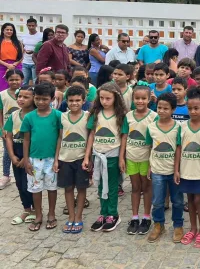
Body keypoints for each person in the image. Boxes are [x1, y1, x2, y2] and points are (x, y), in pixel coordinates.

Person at [86, 82, 129, 233]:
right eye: (102, 98)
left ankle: (113, 214)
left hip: (113, 155)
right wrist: (87, 156)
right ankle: (103, 213)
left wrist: (121, 158)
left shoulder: (121, 115)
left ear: (116, 98)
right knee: (99, 185)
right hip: (98, 155)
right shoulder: (95, 114)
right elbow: (91, 134)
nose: (104, 101)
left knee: (111, 187)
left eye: (108, 98)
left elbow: (124, 137)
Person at [175, 87, 200, 248]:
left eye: (196, 108)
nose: (193, 111)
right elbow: (178, 148)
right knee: (189, 199)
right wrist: (176, 169)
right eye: (190, 108)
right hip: (186, 170)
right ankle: (192, 228)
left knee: (199, 200)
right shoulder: (182, 127)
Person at [21, 82, 62, 231]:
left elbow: (60, 137)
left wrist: (57, 159)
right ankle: (38, 215)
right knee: (35, 188)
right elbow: (26, 139)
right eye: (37, 98)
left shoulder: (57, 116)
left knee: (52, 187)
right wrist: (26, 160)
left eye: (45, 99)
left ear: (52, 99)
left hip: (51, 159)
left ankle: (51, 214)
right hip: (34, 159)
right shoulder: (29, 117)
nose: (40, 102)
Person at [144, 92, 184, 243]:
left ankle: (178, 225)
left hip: (173, 172)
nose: (161, 111)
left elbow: (179, 149)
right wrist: (149, 166)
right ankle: (158, 225)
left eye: (166, 108)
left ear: (173, 109)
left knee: (178, 201)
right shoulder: (151, 127)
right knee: (158, 201)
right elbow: (150, 148)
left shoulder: (179, 127)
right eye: (159, 107)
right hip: (157, 170)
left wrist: (177, 169)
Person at [54, 86, 91, 234]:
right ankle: (70, 216)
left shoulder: (88, 116)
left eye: (77, 100)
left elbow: (90, 138)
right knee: (68, 188)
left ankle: (79, 216)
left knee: (81, 188)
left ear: (83, 101)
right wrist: (56, 159)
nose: (74, 103)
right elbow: (60, 138)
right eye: (71, 101)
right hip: (64, 159)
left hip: (81, 158)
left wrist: (87, 157)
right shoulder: (62, 117)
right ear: (66, 101)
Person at [125, 84, 157, 235]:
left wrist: (152, 162)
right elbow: (124, 137)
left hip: (146, 158)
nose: (140, 101)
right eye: (137, 98)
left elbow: (156, 141)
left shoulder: (153, 117)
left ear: (149, 99)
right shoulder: (128, 116)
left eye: (143, 98)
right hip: (131, 157)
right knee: (135, 187)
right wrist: (121, 158)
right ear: (133, 99)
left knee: (147, 187)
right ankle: (134, 216)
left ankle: (146, 216)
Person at [4, 85, 35, 226]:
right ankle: (26, 209)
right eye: (20, 96)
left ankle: (35, 209)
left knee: (30, 183)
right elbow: (9, 136)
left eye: (26, 97)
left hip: (31, 153)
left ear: (34, 98)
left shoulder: (35, 116)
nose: (21, 99)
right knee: (19, 183)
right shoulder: (14, 115)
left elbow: (35, 138)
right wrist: (11, 155)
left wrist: (25, 157)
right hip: (16, 152)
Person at [0, 69, 23, 189]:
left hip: (23, 129)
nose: (14, 82)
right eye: (11, 79)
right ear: (7, 80)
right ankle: (6, 175)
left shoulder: (26, 93)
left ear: (22, 80)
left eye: (17, 79)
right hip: (8, 130)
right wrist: (1, 128)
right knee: (8, 152)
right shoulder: (2, 95)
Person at [0, 22, 24, 92]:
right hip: (2, 66)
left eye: (11, 30)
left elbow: (21, 56)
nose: (9, 31)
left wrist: (13, 65)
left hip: (16, 66)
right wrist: (7, 65)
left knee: (17, 86)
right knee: (2, 87)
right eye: (7, 29)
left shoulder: (18, 42)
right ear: (3, 30)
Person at [20, 18, 42, 85]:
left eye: (33, 25)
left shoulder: (41, 36)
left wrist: (33, 51)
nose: (31, 27)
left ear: (36, 25)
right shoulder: (24, 36)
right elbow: (22, 47)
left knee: (36, 81)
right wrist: (21, 59)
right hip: (25, 62)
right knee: (24, 81)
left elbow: (42, 48)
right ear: (27, 25)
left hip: (35, 62)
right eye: (29, 25)